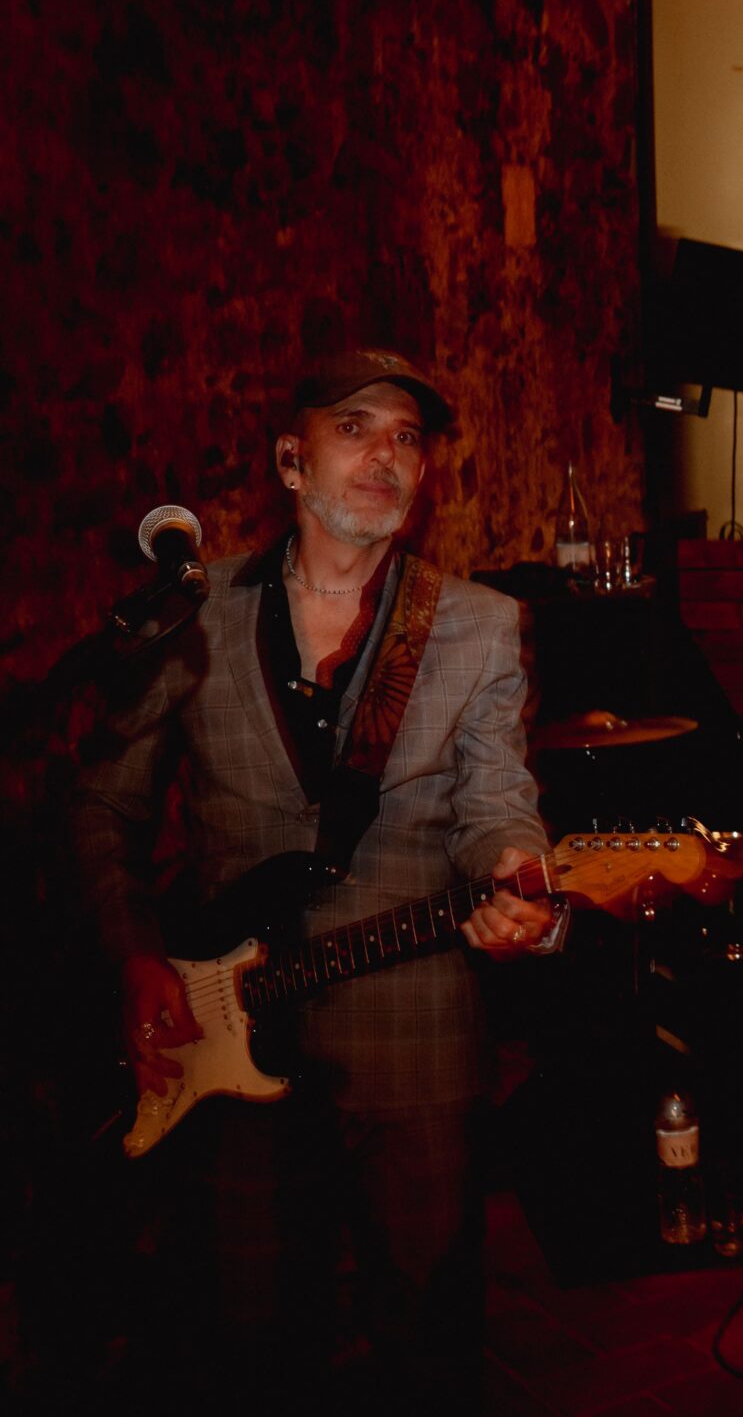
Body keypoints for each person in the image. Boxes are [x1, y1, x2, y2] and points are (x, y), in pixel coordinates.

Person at [71, 347, 560, 1409]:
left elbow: (494, 802)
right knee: (246, 1336)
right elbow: (104, 807)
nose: (385, 455)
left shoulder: (476, 623)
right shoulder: (194, 614)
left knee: (428, 1338)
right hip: (220, 1024)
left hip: (413, 1028)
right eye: (354, 428)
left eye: (406, 437)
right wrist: (135, 957)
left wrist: (515, 871)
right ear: (291, 461)